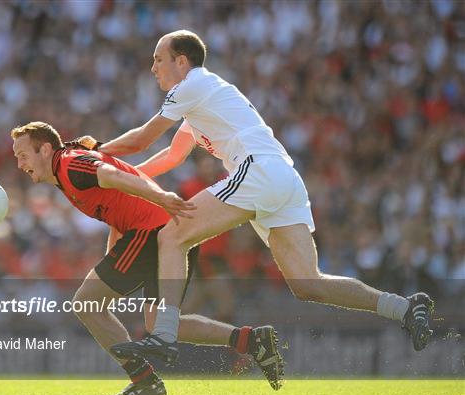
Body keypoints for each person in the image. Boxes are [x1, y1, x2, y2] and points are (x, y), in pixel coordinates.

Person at [89, 30, 435, 364]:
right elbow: (171, 156)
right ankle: (403, 307)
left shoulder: (192, 84)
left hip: (258, 171)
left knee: (172, 235)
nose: (153, 68)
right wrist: (128, 178)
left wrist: (97, 152)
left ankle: (163, 334)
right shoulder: (204, 96)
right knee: (308, 283)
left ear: (181, 61)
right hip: (283, 176)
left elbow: (142, 140)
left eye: (158, 59)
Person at [11, 121, 285, 395]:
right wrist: (112, 256)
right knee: (159, 325)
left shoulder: (69, 164)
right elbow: (116, 207)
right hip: (169, 233)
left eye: (23, 155)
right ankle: (252, 340)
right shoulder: (68, 167)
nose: (20, 165)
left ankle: (144, 381)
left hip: (153, 232)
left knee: (86, 303)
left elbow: (113, 175)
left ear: (45, 149)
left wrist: (161, 197)